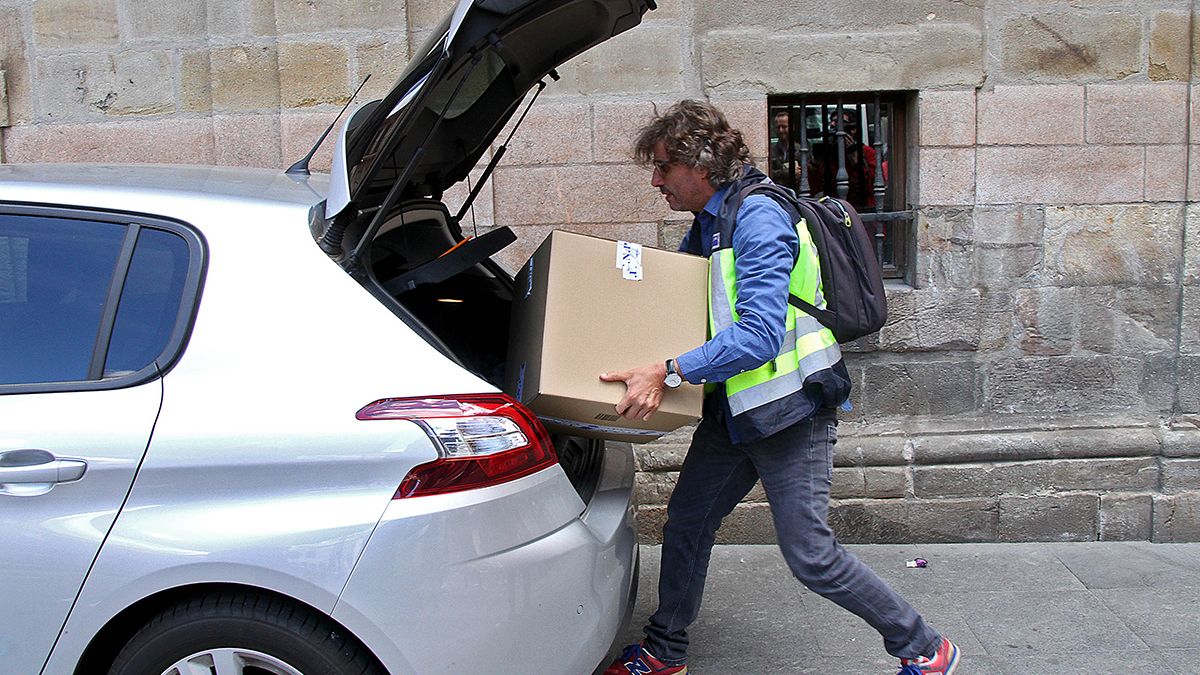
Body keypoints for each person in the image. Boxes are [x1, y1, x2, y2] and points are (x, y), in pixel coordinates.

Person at [599, 100, 958, 675]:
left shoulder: (760, 216)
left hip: (790, 412)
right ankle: (665, 651)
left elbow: (761, 336)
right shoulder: (711, 223)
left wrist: (666, 370)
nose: (656, 179)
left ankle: (923, 645)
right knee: (688, 524)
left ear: (701, 164)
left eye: (664, 166)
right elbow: (682, 305)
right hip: (735, 411)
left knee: (811, 556)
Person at [807, 107, 880, 210]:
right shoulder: (829, 154)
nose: (832, 125)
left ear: (853, 129)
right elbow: (814, 188)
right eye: (832, 122)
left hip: (862, 211)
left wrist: (856, 162)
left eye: (838, 122)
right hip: (835, 211)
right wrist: (814, 165)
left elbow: (872, 187)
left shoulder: (868, 153)